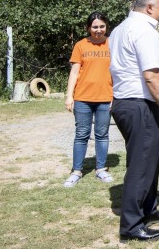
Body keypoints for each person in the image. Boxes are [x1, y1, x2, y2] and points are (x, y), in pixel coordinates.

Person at [109, 0, 159, 242]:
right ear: (149, 8)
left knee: (147, 161)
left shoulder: (121, 28)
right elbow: (151, 75)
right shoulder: (144, 31)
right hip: (139, 105)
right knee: (140, 166)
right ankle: (131, 226)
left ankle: (147, 209)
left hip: (129, 103)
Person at [63, 12, 114, 187]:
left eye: (101, 26)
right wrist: (69, 96)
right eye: (94, 27)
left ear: (106, 27)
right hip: (82, 98)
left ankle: (101, 169)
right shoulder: (80, 45)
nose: (98, 30)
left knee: (102, 135)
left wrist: (116, 96)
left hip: (105, 98)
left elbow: (118, 72)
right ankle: (76, 171)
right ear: (88, 28)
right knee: (81, 135)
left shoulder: (112, 44)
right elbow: (74, 72)